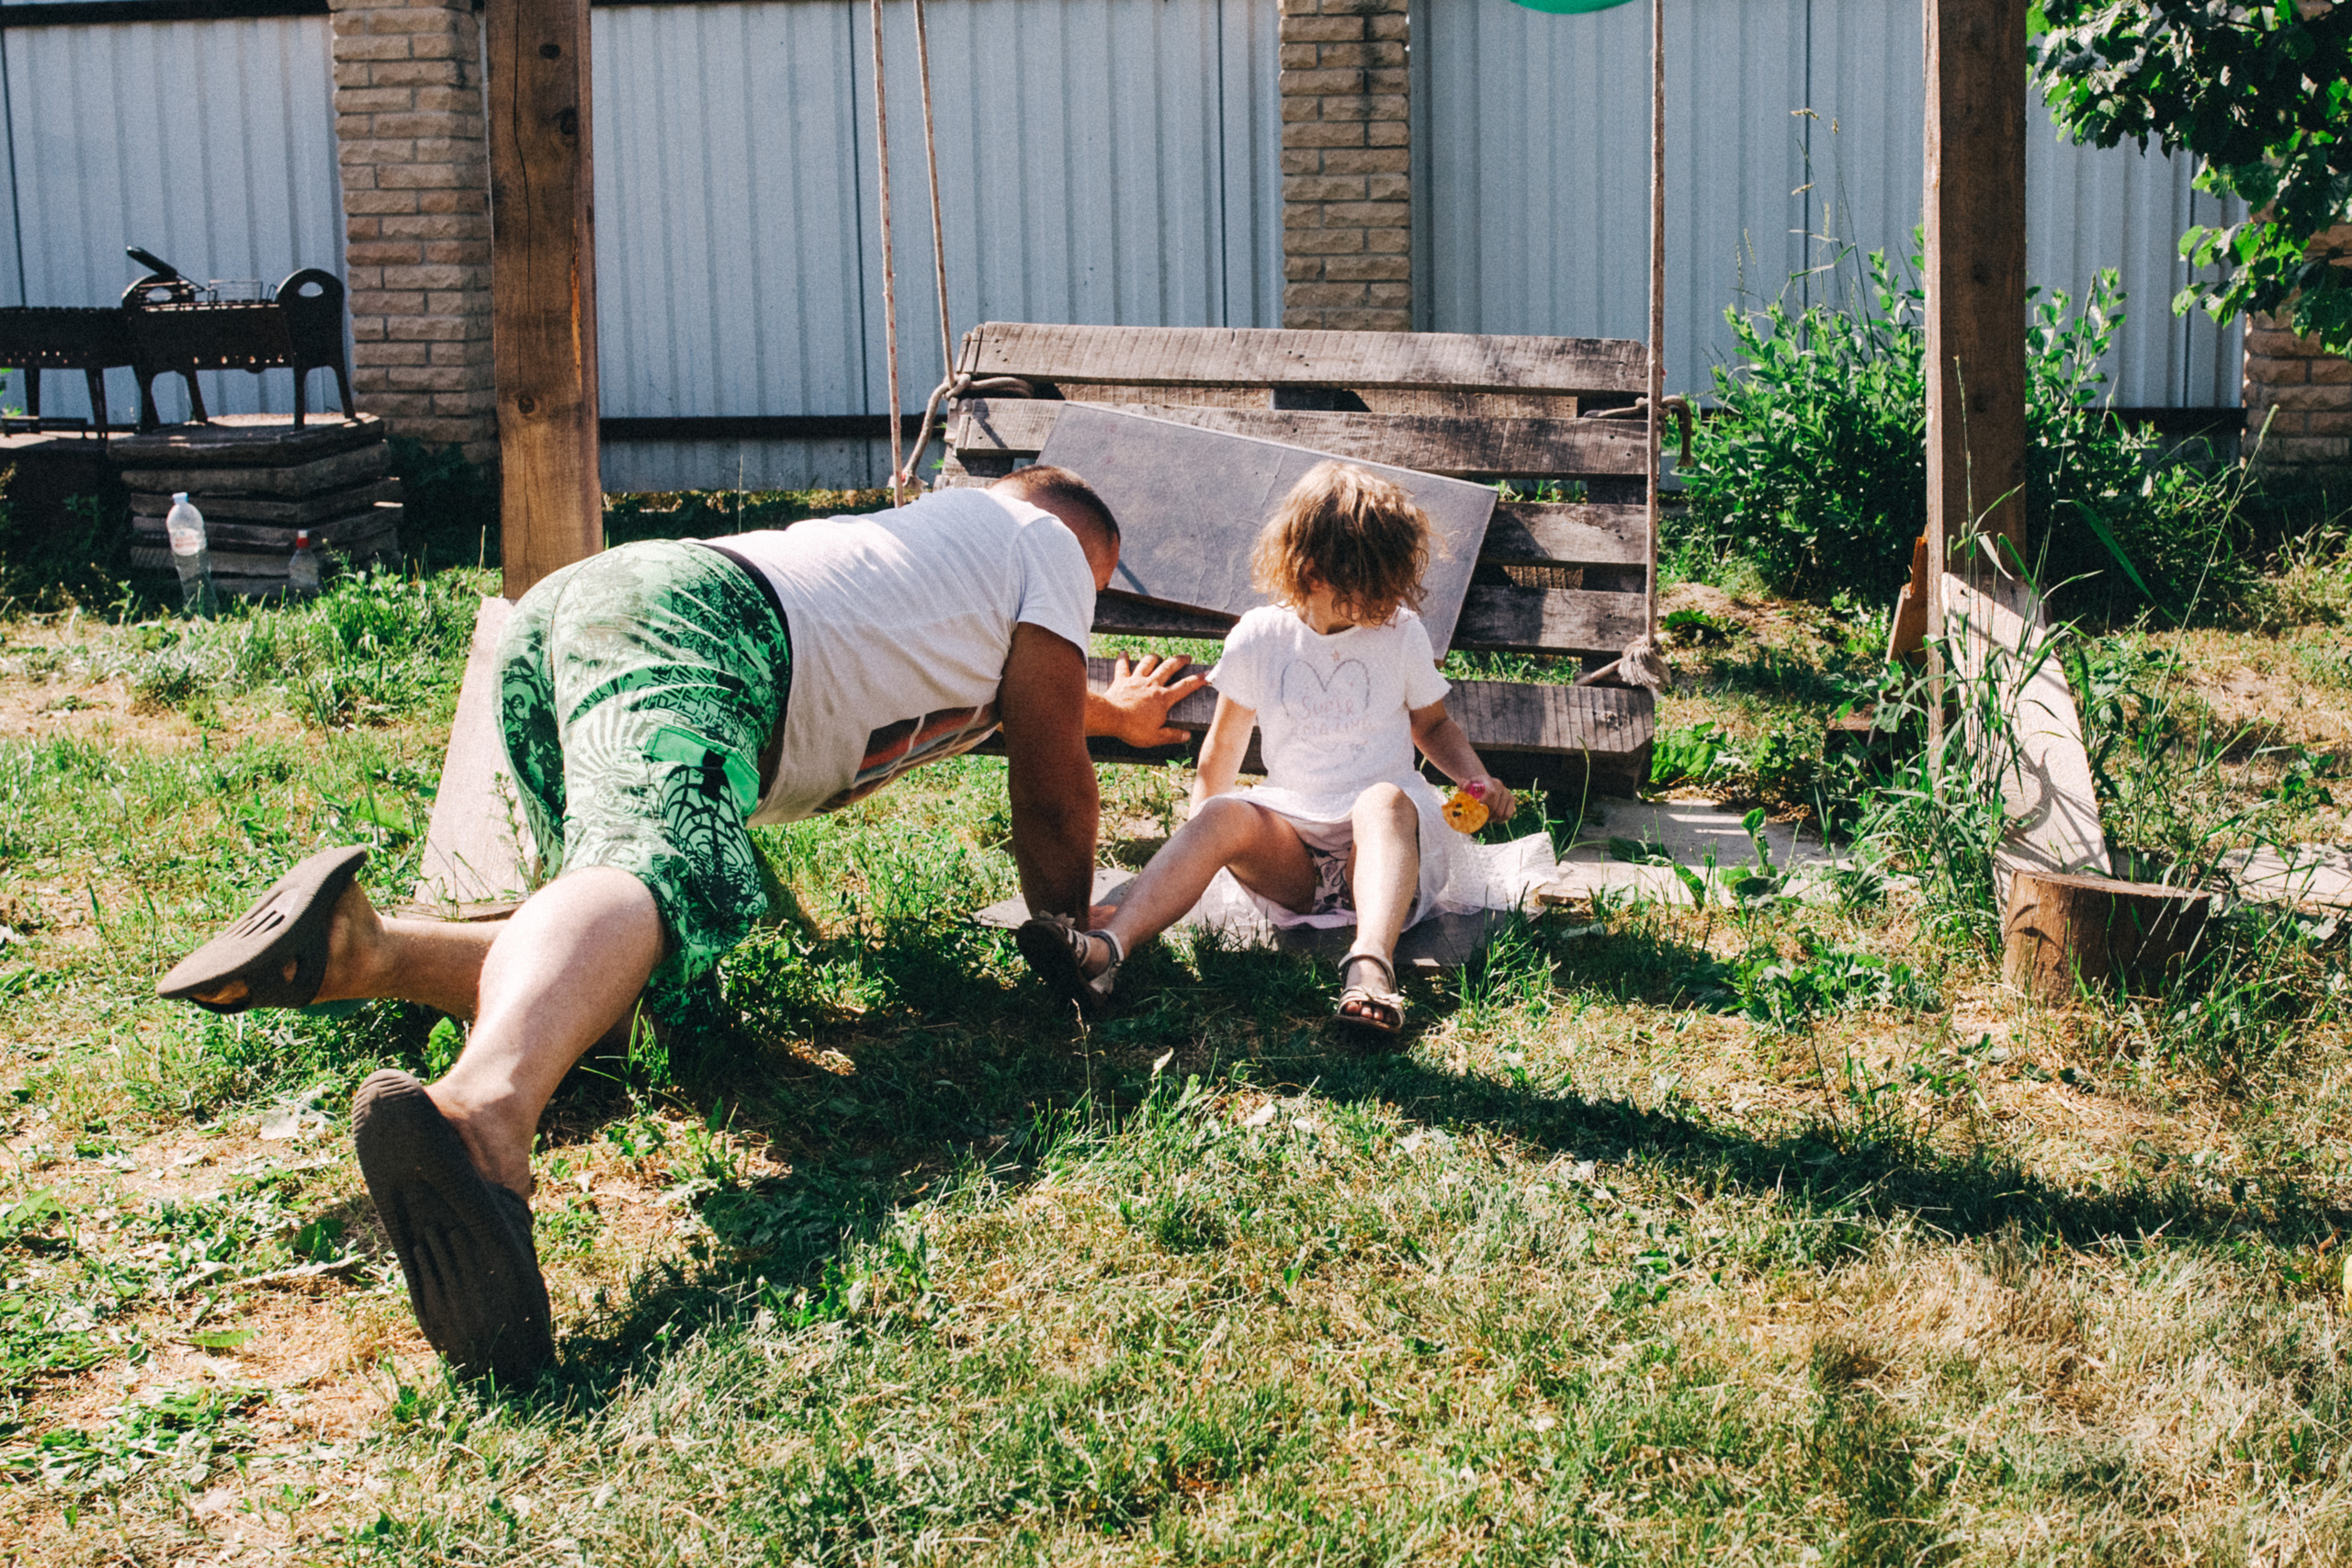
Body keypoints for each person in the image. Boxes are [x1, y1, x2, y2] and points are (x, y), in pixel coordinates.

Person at [155, 468, 1205, 1382]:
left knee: (621, 982)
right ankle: (478, 1120)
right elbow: (1052, 785)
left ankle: (361, 949)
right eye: (1096, 593)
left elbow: (1015, 689)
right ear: (1079, 541)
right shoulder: (1045, 543)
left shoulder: (943, 541)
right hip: (698, 624)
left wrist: (1109, 710)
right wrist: (1074, 936)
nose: (1088, 614)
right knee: (651, 872)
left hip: (584, 609)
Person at [1018, 460, 1517, 1034]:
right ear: (1310, 575)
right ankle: (1105, 952)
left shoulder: (1399, 631)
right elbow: (1222, 751)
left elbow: (1432, 726)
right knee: (1223, 813)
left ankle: (1371, 965)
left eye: (1389, 589)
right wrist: (1196, 850)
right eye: (1366, 593)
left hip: (1381, 851)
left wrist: (1475, 778)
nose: (1382, 605)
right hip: (1293, 858)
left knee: (1382, 800)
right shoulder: (1261, 635)